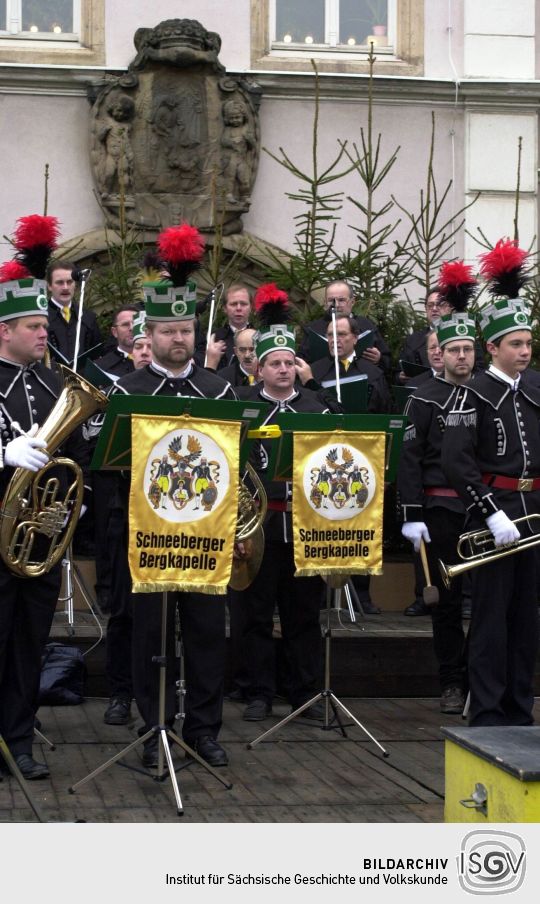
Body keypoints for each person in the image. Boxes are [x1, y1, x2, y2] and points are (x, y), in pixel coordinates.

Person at [102, 278, 236, 766]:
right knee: (150, 634)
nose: (179, 340)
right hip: (147, 533)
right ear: (149, 335)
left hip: (206, 535)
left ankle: (203, 730)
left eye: (186, 331)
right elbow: (104, 456)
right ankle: (155, 725)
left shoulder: (218, 389)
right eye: (169, 332)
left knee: (205, 634)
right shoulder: (127, 389)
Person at [441, 242, 540, 726]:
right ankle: (486, 711)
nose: (525, 351)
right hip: (495, 510)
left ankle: (520, 707)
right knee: (490, 621)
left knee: (527, 620)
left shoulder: (538, 387)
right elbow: (456, 463)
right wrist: (489, 512)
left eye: (528, 343)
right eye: (516, 344)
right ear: (493, 348)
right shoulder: (472, 391)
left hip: (534, 507)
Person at [0, 276, 89, 779]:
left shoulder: (55, 385)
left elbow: (78, 453)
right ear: (4, 330)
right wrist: (2, 454)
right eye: (34, 326)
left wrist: (78, 504)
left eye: (44, 326)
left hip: (39, 540)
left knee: (30, 641)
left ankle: (19, 741)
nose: (43, 334)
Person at [238, 289, 331, 722]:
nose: (282, 369)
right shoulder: (243, 407)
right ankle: (257, 691)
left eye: (289, 362)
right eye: (274, 362)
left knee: (303, 614)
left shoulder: (316, 407)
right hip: (256, 526)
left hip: (303, 525)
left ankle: (303, 693)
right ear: (259, 368)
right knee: (254, 614)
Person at [398, 312, 477, 713]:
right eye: (454, 350)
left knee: (486, 602)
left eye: (468, 349)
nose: (462, 357)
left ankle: (482, 678)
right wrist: (412, 514)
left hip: (483, 511)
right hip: (439, 510)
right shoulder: (423, 396)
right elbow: (408, 458)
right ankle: (451, 682)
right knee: (445, 602)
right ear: (440, 355)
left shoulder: (487, 393)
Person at [298, 279, 391, 374]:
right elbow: (302, 362)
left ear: (352, 302)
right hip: (324, 381)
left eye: (341, 300)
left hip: (363, 379)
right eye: (331, 300)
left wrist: (378, 359)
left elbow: (387, 360)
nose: (336, 305)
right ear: (325, 303)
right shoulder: (313, 329)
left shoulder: (366, 325)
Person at [306, 314, 392, 413]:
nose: (334, 340)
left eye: (341, 334)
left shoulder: (374, 374)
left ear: (355, 338)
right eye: (330, 335)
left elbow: (385, 411)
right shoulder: (314, 371)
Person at [46, 260, 102, 364]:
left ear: (75, 284)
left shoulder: (88, 317)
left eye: (69, 282)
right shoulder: (41, 318)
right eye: (59, 282)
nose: (65, 287)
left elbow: (98, 355)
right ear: (49, 286)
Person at [203, 284, 253, 371]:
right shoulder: (214, 338)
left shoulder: (260, 337)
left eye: (243, 304)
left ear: (251, 308)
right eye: (233, 304)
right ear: (225, 308)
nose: (238, 308)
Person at [94, 305, 139, 379]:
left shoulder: (159, 357)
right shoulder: (100, 368)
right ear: (115, 332)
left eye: (136, 323)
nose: (131, 328)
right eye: (125, 324)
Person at [217, 327, 259, 392]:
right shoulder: (222, 378)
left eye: (252, 350)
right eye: (242, 350)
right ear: (236, 351)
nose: (247, 355)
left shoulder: (271, 375)